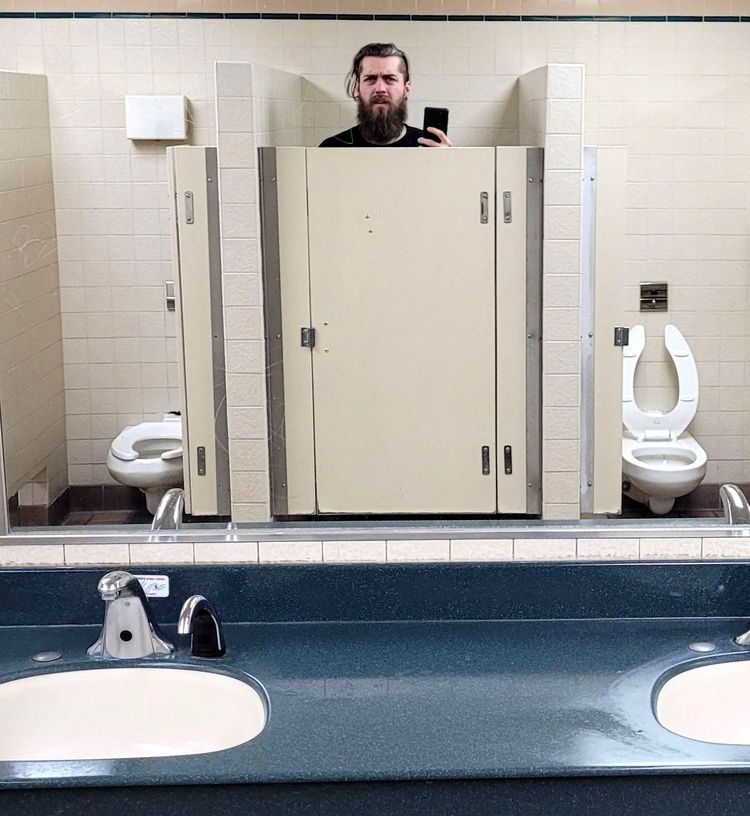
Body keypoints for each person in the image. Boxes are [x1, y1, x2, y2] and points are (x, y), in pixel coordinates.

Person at [319, 42, 452, 148]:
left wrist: (448, 163)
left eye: (390, 79)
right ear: (358, 88)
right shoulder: (333, 148)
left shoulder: (427, 147)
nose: (380, 89)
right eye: (370, 79)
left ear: (406, 89)